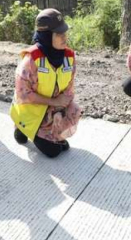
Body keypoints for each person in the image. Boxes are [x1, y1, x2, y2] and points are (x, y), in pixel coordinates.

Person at [10, 8, 80, 158]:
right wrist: (54, 102)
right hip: (31, 110)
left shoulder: (69, 57)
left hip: (52, 108)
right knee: (54, 152)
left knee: (74, 109)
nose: (64, 37)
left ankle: (50, 134)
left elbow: (68, 90)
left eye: (65, 33)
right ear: (47, 36)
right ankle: (21, 127)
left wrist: (60, 110)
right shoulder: (31, 61)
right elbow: (24, 95)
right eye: (59, 34)